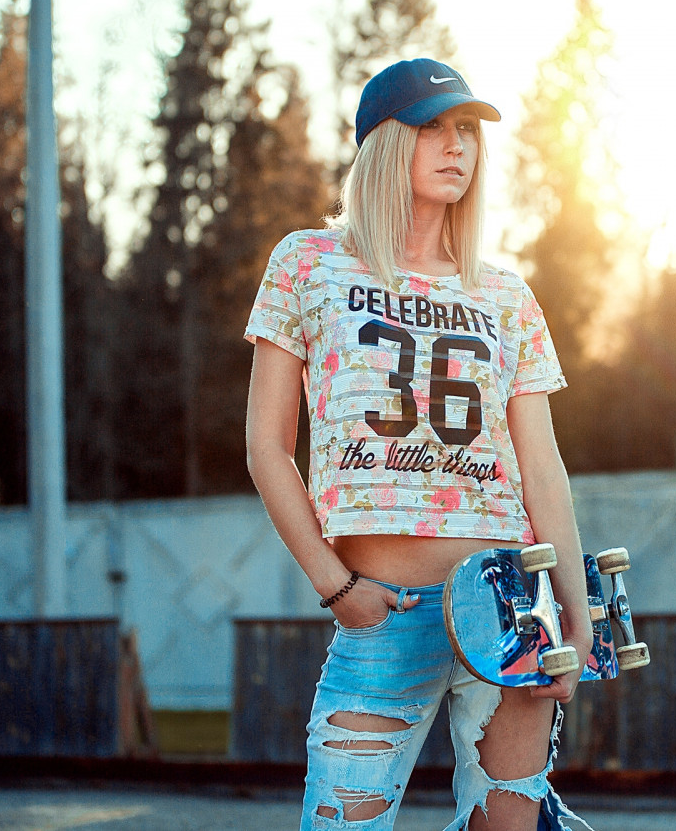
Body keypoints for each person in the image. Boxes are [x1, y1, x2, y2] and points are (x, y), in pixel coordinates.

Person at [244, 57, 594, 831]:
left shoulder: (504, 292)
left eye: (466, 130)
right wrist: (337, 587)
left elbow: (542, 466)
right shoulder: (309, 262)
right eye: (431, 127)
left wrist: (575, 609)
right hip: (384, 608)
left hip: (510, 614)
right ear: (379, 145)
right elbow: (268, 448)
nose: (455, 146)